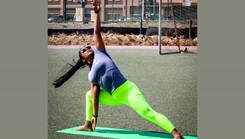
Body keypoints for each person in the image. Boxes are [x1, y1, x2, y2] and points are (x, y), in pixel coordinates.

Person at [52, 1, 184, 139]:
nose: (87, 48)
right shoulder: (92, 75)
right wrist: (95, 116)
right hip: (113, 96)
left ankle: (176, 134)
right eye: (83, 50)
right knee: (89, 95)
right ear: (83, 59)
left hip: (127, 90)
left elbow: (96, 31)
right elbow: (95, 96)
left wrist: (97, 13)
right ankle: (88, 124)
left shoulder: (100, 52)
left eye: (87, 46)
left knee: (147, 112)